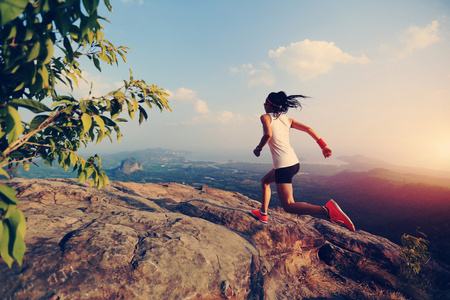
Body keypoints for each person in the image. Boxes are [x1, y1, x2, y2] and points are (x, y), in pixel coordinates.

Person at [251, 91, 355, 231]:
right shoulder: (287, 120)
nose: (264, 105)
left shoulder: (265, 117)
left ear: (269, 105)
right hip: (293, 162)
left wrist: (258, 149)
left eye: (265, 103)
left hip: (283, 166)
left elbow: (268, 134)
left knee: (288, 206)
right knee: (265, 181)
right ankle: (263, 214)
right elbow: (308, 129)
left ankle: (326, 210)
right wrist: (323, 146)